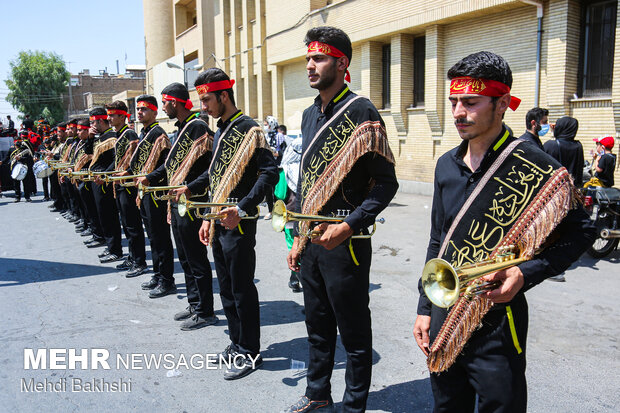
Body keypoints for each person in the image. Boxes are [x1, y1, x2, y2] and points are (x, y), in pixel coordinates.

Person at [412, 51, 596, 413]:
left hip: (499, 316)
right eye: (453, 102)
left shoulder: (534, 164)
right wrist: (424, 307)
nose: (458, 113)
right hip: (445, 310)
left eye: (470, 102)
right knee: (447, 406)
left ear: (502, 104)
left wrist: (524, 274)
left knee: (502, 407)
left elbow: (582, 233)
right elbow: (438, 240)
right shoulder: (445, 165)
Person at [282, 27, 399, 413]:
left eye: (319, 58)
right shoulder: (308, 114)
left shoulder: (361, 111)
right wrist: (297, 236)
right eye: (308, 59)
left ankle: (353, 406)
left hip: (346, 241)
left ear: (342, 62)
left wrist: (349, 224)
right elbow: (307, 180)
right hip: (312, 239)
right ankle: (318, 394)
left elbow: (385, 184)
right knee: (316, 325)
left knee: (353, 332)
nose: (310, 65)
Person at [196, 67, 278, 379]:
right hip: (218, 221)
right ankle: (236, 342)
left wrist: (242, 208)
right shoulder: (220, 130)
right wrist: (207, 219)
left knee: (242, 288)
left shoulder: (250, 129)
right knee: (227, 288)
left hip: (240, 223)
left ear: (224, 95)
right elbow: (217, 180)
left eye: (207, 100)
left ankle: (251, 351)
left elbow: (270, 173)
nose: (204, 107)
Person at [137, 82, 217, 325]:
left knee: (196, 259)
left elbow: (211, 169)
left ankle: (205, 311)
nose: (163, 107)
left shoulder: (198, 127)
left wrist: (190, 188)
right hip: (177, 202)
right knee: (184, 258)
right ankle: (195, 304)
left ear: (174, 102)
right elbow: (172, 167)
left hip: (193, 203)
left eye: (165, 102)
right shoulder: (181, 129)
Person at [129, 95, 175, 293]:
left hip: (156, 192)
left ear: (155, 112)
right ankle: (157, 275)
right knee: (153, 238)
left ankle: (166, 280)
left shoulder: (159, 134)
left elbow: (167, 165)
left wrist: (149, 177)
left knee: (161, 238)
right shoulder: (145, 133)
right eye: (138, 109)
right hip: (145, 191)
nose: (140, 113)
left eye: (144, 109)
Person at [105, 100, 148, 277]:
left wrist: (126, 173)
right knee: (126, 223)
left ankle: (139, 261)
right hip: (120, 184)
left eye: (112, 115)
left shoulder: (129, 134)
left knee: (133, 225)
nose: (109, 118)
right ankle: (132, 257)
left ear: (122, 116)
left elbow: (134, 160)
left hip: (128, 185)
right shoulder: (118, 134)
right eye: (108, 115)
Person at [89, 107, 124, 262]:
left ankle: (115, 250)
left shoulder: (111, 137)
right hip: (97, 181)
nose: (91, 126)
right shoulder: (99, 137)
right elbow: (89, 154)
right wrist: (90, 138)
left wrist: (105, 175)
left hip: (106, 182)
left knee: (110, 217)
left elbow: (115, 161)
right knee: (102, 216)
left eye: (93, 122)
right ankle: (110, 246)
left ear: (100, 120)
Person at [543, 116, 584, 186]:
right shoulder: (578, 146)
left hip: (554, 188)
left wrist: (555, 133)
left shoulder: (550, 145)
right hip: (571, 188)